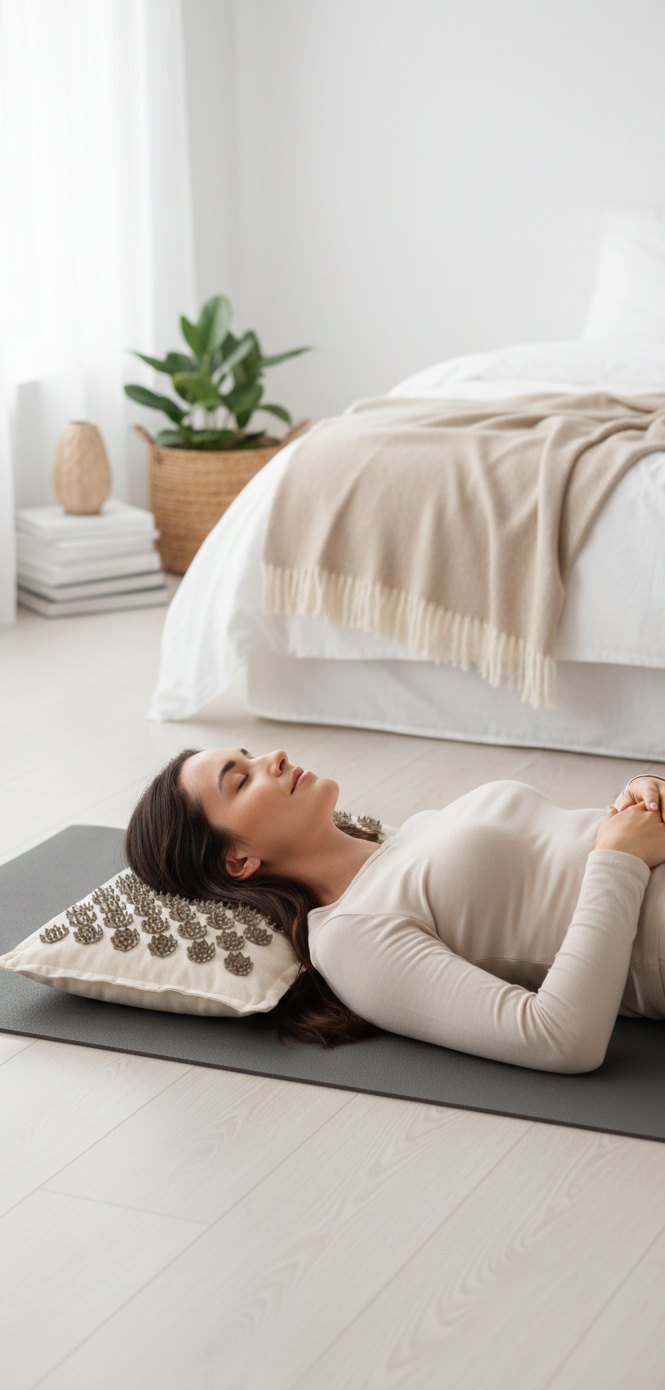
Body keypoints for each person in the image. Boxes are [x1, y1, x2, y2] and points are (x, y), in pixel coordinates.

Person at [125, 746, 665, 1073]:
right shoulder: (351, 937)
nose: (275, 757)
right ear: (238, 860)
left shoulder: (414, 831)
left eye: (249, 754)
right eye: (241, 779)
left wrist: (641, 795)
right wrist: (619, 858)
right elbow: (560, 1038)